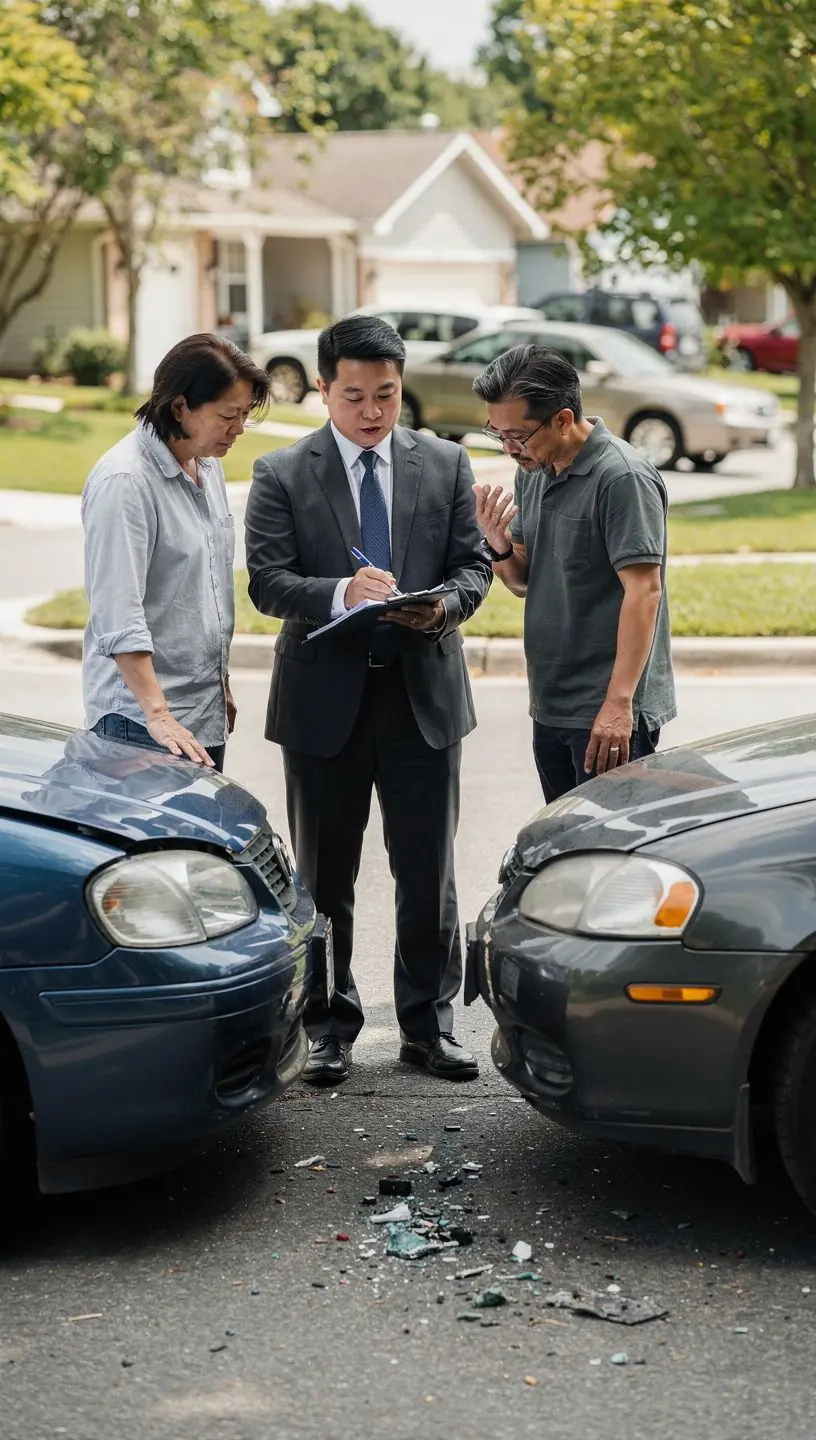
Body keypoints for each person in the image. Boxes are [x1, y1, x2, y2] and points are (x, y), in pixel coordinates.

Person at [245, 315, 492, 1085]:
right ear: (323, 389)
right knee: (326, 878)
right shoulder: (281, 472)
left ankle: (428, 1025)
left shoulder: (445, 463)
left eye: (386, 394)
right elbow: (266, 582)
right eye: (355, 395)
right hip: (326, 703)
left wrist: (445, 607)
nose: (373, 411)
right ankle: (327, 1026)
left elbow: (473, 568)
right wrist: (340, 591)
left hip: (423, 697)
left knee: (429, 874)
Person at [472, 345, 676, 802]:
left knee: (611, 859)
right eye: (496, 433)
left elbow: (644, 592)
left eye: (517, 435)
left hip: (608, 712)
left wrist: (619, 705)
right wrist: (498, 545)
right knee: (564, 851)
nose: (508, 449)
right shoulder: (534, 468)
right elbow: (524, 581)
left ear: (563, 419)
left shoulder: (622, 477)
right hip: (551, 703)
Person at [81, 332, 269, 771]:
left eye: (244, 415)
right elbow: (118, 614)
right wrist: (159, 716)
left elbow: (205, 590)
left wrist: (217, 688)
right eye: (228, 415)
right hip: (140, 725)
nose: (239, 429)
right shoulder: (124, 482)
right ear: (180, 407)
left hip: (201, 716)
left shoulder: (208, 464)